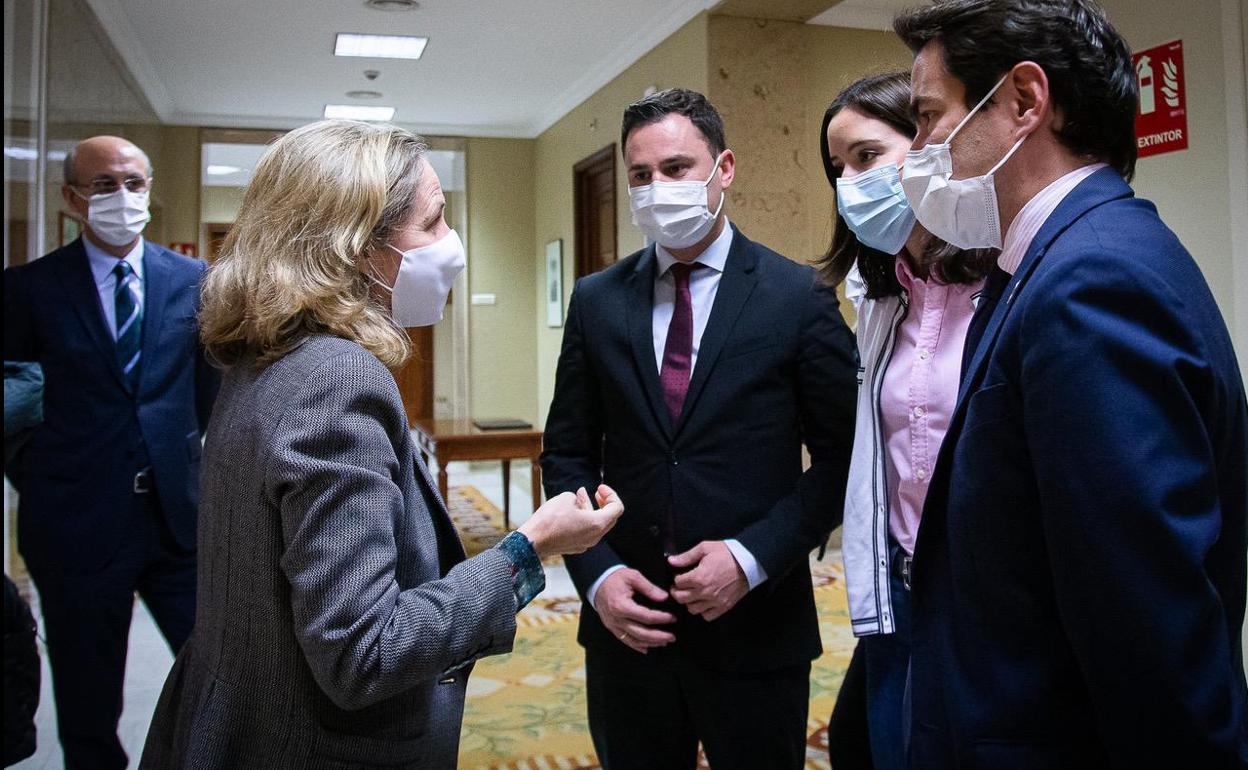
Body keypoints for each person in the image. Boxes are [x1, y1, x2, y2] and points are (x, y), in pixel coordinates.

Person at [139, 119, 623, 770]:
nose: (451, 245)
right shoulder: (336, 379)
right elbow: (362, 651)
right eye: (434, 221)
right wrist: (528, 547)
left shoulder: (264, 357)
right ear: (361, 247)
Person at [890, 1, 1248, 766]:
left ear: (1023, 101)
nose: (915, 152)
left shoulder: (1091, 282)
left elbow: (1144, 623)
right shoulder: (1055, 262)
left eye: (926, 118)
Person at [542, 88, 857, 770]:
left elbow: (842, 459)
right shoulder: (597, 301)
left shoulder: (796, 296)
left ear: (725, 169)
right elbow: (567, 455)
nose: (658, 188)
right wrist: (595, 577)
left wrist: (750, 558)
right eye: (640, 175)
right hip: (629, 628)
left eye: (677, 168)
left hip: (757, 626)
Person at [3, 135, 219, 770]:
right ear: (73, 199)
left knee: (219, 673)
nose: (121, 197)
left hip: (179, 521)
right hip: (76, 526)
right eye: (103, 185)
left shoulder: (196, 282)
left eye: (133, 183)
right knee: (89, 703)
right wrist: (53, 481)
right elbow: (14, 412)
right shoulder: (27, 291)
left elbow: (208, 398)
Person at [817, 71, 993, 770]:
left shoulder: (1005, 283)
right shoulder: (879, 298)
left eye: (866, 157)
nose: (850, 183)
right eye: (838, 168)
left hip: (984, 590)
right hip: (899, 583)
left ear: (926, 145)